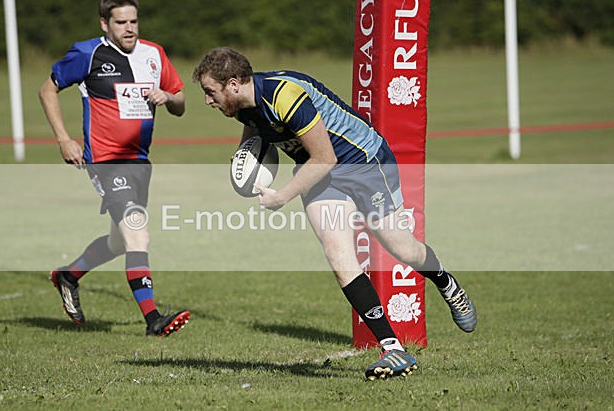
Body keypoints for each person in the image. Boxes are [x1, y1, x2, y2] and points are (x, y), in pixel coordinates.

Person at [192, 47, 477, 380]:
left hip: (363, 164)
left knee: (402, 248)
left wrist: (282, 196)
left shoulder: (285, 96)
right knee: (339, 255)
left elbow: (325, 157)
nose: (208, 101)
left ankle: (446, 282)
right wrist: (246, 157)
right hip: (320, 174)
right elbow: (257, 129)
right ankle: (393, 349)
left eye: (211, 92)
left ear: (234, 83)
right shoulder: (240, 105)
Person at [39, 0, 190, 336]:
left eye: (133, 21)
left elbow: (180, 102)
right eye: (121, 22)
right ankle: (153, 319)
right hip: (106, 162)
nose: (129, 28)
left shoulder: (154, 54)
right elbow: (47, 90)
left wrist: (168, 97)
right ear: (104, 24)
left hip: (140, 162)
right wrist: (64, 138)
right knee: (138, 233)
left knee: (120, 242)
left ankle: (68, 275)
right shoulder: (88, 53)